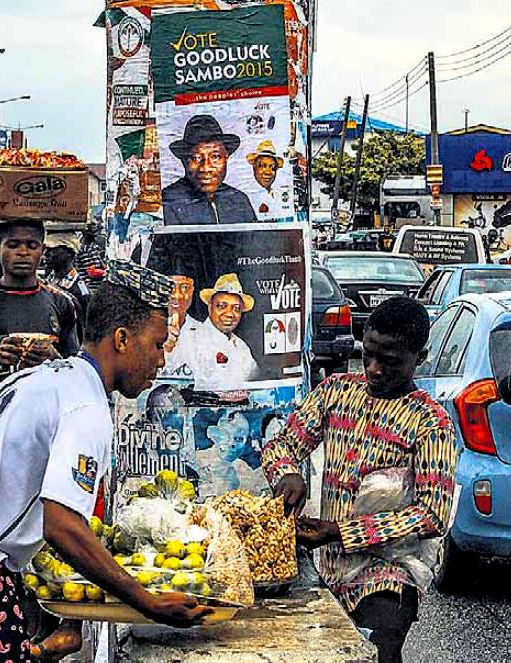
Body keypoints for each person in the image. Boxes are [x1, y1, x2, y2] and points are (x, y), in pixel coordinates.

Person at [0, 261, 213, 663]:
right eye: (158, 344)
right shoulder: (85, 407)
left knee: (11, 645)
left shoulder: (60, 376)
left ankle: (48, 648)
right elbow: (61, 525)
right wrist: (144, 600)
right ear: (122, 339)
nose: (161, 361)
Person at [261, 297, 458, 663]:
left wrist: (338, 531)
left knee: (373, 652)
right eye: (368, 354)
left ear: (421, 357)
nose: (374, 369)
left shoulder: (432, 423)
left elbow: (432, 515)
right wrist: (287, 472)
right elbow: (282, 443)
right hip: (328, 570)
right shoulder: (336, 392)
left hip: (390, 572)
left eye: (390, 361)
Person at [0, 219, 79, 395]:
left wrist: (54, 358)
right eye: (13, 245)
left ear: (42, 250)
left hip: (49, 417)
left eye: (32, 245)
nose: (23, 252)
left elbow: (78, 373)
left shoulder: (62, 302)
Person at [162, 115, 256, 226]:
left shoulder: (239, 200)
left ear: (226, 158)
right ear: (184, 161)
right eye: (196, 158)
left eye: (215, 157)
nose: (205, 168)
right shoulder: (167, 202)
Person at [173, 273, 259, 389]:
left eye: (236, 308)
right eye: (222, 306)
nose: (229, 314)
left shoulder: (242, 347)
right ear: (210, 306)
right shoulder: (189, 338)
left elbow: (255, 380)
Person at [44, 231, 90, 340]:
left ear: (69, 253)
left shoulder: (80, 291)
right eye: (45, 249)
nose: (45, 254)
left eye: (52, 249)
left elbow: (84, 330)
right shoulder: (47, 282)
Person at [246, 139, 286, 217]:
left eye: (273, 167)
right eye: (262, 166)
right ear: (254, 167)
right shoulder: (248, 194)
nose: (268, 172)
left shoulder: (278, 195)